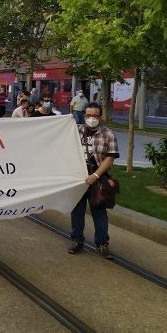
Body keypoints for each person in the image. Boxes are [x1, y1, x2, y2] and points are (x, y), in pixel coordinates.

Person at [69, 102, 119, 259]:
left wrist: (96, 175)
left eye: (94, 116)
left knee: (99, 211)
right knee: (77, 211)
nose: (91, 119)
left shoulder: (108, 134)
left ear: (100, 117)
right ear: (84, 116)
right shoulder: (75, 130)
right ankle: (77, 240)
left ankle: (102, 243)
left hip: (97, 178)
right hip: (78, 177)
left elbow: (110, 158)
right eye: (88, 115)